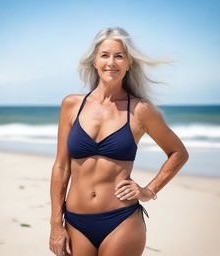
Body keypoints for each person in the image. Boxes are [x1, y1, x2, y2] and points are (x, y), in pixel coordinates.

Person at [49, 27, 189, 256]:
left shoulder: (140, 109)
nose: (111, 62)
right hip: (75, 222)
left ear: (128, 63)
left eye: (119, 56)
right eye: (105, 55)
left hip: (121, 220)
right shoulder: (71, 105)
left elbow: (178, 153)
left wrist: (148, 191)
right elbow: (62, 166)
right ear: (94, 61)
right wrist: (56, 223)